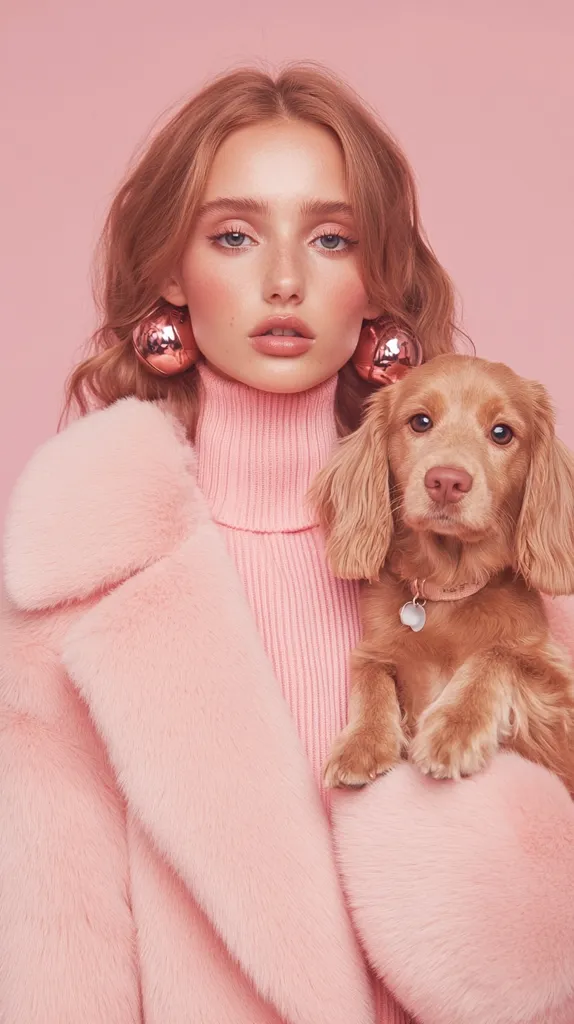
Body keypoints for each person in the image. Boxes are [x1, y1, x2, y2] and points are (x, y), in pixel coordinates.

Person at [1, 64, 573, 1024]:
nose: (282, 280)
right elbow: (61, 955)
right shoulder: (81, 574)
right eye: (233, 236)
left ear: (377, 279)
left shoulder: (496, 565)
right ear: (172, 276)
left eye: (331, 238)